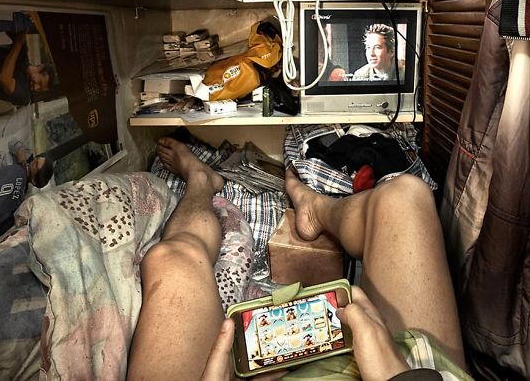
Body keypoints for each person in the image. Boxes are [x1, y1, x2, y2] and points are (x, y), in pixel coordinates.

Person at [129, 137, 469, 380]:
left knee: (172, 260)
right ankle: (314, 206)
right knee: (405, 195)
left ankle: (202, 183)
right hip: (417, 369)